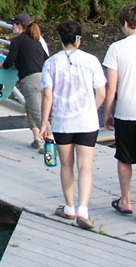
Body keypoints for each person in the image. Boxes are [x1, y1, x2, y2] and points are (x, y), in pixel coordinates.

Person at [39, 21, 106, 230]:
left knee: (66, 165)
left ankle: (69, 208)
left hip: (62, 121)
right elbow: (101, 92)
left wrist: (43, 123)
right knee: (85, 166)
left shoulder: (51, 63)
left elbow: (47, 96)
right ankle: (83, 210)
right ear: (79, 39)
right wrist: (90, 110)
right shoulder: (91, 60)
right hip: (86, 121)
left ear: (60, 39)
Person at [103, 3, 136, 225]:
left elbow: (111, 87)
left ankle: (126, 201)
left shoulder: (116, 48)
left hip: (126, 112)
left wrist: (107, 111)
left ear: (126, 23)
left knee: (124, 158)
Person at [0, 13, 49, 152]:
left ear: (19, 26)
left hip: (30, 81)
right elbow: (45, 59)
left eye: (13, 25)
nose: (11, 28)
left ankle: (51, 142)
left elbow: (9, 63)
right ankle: (37, 139)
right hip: (44, 79)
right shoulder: (36, 40)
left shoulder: (17, 41)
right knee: (30, 109)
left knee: (37, 113)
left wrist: (2, 65)